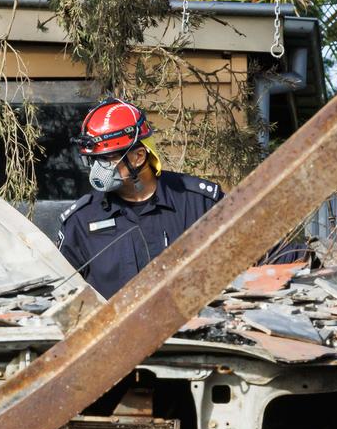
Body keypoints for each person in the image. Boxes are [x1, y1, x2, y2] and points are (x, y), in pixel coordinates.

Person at [57, 98, 225, 298]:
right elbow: (61, 295)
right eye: (92, 160)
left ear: (138, 156)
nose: (96, 170)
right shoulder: (80, 222)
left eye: (106, 159)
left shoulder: (199, 203)